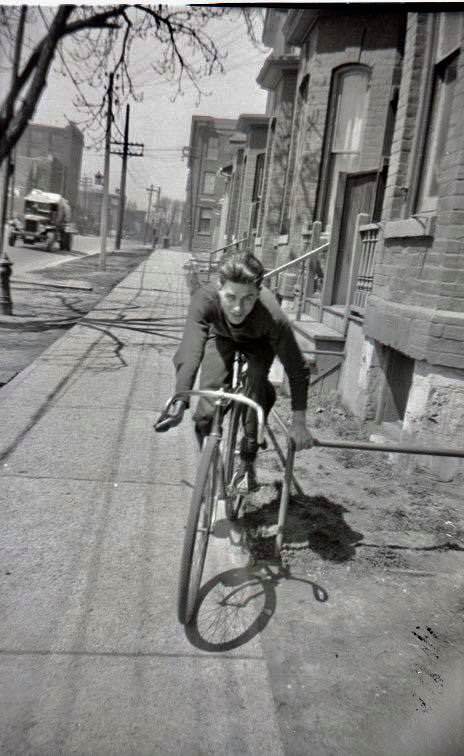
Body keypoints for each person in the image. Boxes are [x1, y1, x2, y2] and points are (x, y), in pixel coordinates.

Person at [155, 253, 313, 491]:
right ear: (219, 288)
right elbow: (190, 350)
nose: (238, 308)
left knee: (256, 383)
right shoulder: (204, 299)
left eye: (248, 298)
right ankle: (211, 464)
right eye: (230, 297)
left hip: (259, 341)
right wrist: (180, 398)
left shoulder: (272, 314)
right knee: (206, 410)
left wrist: (299, 422)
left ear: (258, 293)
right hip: (221, 336)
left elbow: (296, 366)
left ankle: (248, 459)